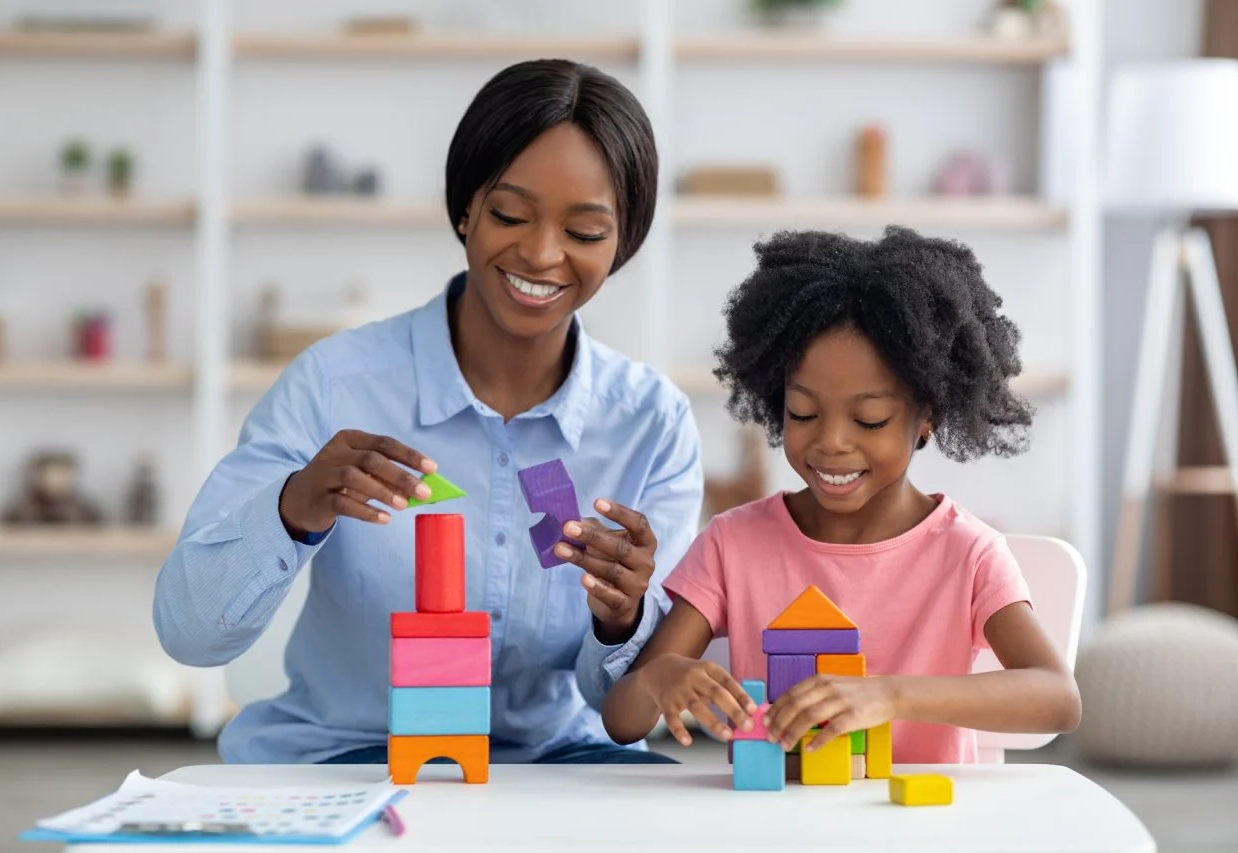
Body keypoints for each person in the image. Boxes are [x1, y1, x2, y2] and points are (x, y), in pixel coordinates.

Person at [153, 58, 703, 765]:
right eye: (509, 214)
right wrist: (293, 507)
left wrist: (624, 618)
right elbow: (188, 632)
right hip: (351, 756)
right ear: (465, 208)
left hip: (557, 765)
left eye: (586, 233)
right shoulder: (334, 386)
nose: (540, 253)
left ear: (622, 242)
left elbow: (625, 707)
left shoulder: (650, 425)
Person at [600, 226, 1081, 763]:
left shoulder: (967, 553)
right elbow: (622, 722)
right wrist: (658, 679)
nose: (831, 443)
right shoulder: (733, 543)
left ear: (926, 418)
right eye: (803, 412)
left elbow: (1057, 698)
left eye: (869, 419)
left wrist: (891, 694)